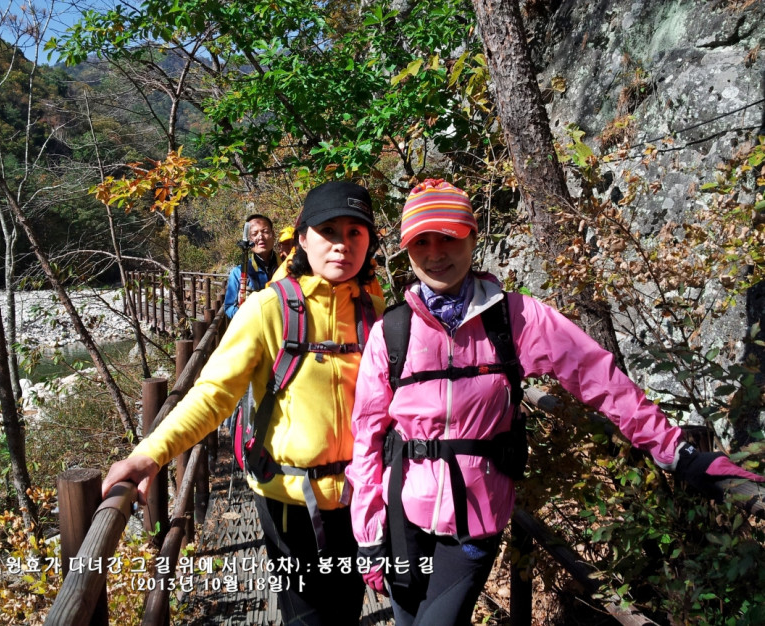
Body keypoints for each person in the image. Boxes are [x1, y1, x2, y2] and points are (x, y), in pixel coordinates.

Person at [346, 179, 763, 626]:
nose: (435, 253)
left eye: (448, 236)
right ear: (407, 251)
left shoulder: (515, 318)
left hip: (475, 521)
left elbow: (598, 376)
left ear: (472, 236)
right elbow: (367, 437)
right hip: (402, 517)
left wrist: (673, 450)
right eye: (421, 242)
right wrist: (369, 534)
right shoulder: (393, 332)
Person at [102, 181, 385, 626]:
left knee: (347, 612)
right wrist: (150, 454)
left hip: (360, 497)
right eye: (328, 230)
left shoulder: (374, 309)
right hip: (288, 500)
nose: (342, 244)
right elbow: (213, 394)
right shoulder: (269, 309)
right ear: (303, 237)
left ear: (369, 241)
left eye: (355, 232)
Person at [223, 213, 279, 319]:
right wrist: (244, 310)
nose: (260, 237)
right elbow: (228, 308)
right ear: (248, 239)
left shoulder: (287, 267)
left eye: (265, 231)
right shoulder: (239, 272)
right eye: (254, 233)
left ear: (273, 234)